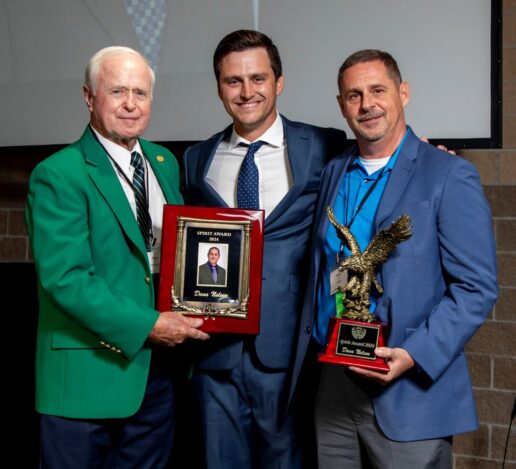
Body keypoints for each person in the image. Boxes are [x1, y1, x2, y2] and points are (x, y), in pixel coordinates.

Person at [290, 49, 498, 468]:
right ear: (341, 106)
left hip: (408, 387)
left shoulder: (447, 174)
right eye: (354, 95)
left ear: (403, 93)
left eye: (378, 90)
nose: (367, 104)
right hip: (334, 380)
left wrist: (414, 354)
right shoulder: (335, 172)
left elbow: (477, 288)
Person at [26, 46, 209, 469]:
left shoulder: (162, 161)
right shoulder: (59, 173)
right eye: (118, 92)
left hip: (156, 376)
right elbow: (66, 280)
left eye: (141, 93)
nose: (131, 104)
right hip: (88, 378)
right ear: (90, 97)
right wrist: (150, 324)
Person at [183, 30, 347, 468]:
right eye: (233, 81)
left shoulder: (324, 146)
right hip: (214, 351)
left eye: (258, 78)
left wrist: (429, 150)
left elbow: (379, 158)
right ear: (219, 87)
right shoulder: (196, 158)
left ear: (279, 82)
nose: (246, 91)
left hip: (287, 349)